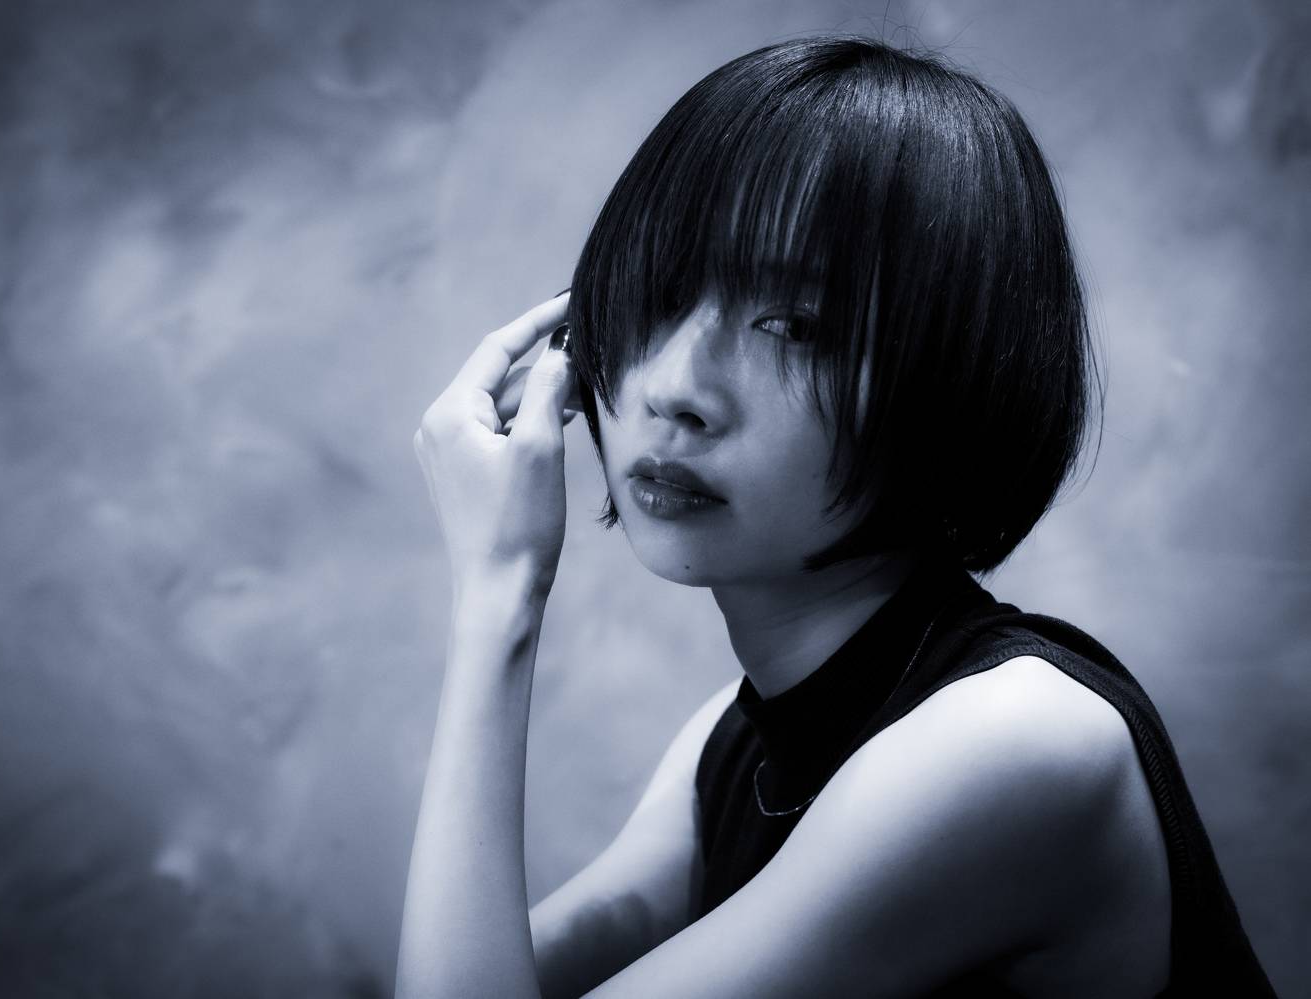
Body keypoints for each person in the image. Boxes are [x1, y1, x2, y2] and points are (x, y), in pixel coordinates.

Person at [395, 36, 1277, 998]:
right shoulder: (734, 745)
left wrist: (501, 596)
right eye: (658, 294)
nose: (676, 387)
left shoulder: (1014, 741)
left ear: (947, 377)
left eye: (795, 326)